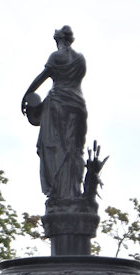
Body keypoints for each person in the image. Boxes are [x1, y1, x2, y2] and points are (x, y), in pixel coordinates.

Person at [21, 25, 87, 201]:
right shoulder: (80, 59)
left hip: (57, 103)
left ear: (58, 40)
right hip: (78, 104)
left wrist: (26, 95)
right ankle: (73, 189)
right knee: (73, 147)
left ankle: (57, 189)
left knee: (52, 146)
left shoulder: (56, 56)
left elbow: (42, 77)